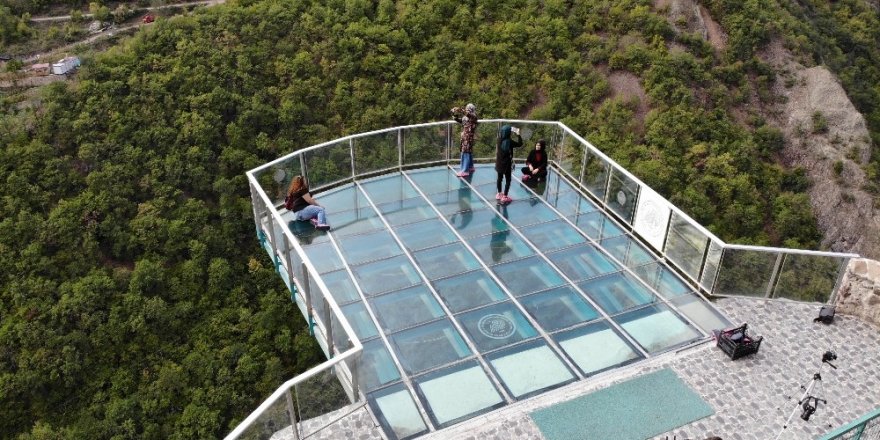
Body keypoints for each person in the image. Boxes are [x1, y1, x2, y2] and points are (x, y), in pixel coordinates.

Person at [495, 124, 522, 204]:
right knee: (508, 180)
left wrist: (510, 130)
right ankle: (505, 196)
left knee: (499, 179)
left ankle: (499, 194)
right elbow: (520, 144)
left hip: (499, 163)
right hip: (507, 164)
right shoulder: (510, 142)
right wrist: (518, 134)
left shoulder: (499, 139)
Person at [451, 103, 478, 177]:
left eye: (468, 109)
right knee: (468, 152)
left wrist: (458, 109)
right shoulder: (468, 117)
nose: (467, 110)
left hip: (468, 138)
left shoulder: (473, 116)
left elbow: (466, 114)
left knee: (465, 152)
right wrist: (454, 114)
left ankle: (465, 171)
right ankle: (470, 167)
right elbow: (461, 121)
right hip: (465, 137)